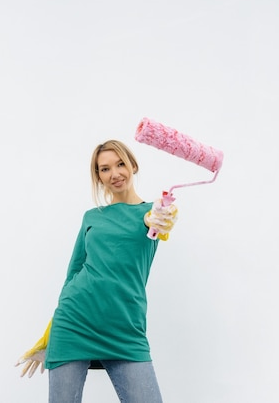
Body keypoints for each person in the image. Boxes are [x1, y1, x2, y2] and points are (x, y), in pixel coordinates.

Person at [15, 139, 178, 403]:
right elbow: (73, 274)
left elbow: (161, 222)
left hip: (126, 329)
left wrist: (163, 216)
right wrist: (49, 335)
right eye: (104, 169)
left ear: (133, 165)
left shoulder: (152, 213)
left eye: (120, 164)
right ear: (98, 177)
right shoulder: (91, 217)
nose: (114, 174)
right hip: (73, 323)